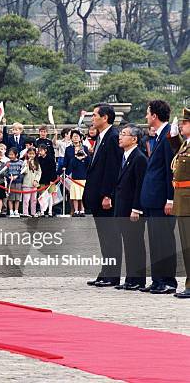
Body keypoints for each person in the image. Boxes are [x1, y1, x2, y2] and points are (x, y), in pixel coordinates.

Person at [83, 104, 123, 288]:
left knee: (110, 236)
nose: (92, 119)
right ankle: (106, 271)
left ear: (105, 117)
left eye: (95, 115)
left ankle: (112, 274)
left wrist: (108, 194)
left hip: (105, 197)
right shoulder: (101, 137)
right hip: (96, 195)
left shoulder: (114, 137)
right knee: (103, 236)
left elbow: (113, 169)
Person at [139, 100, 177, 294]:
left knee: (164, 241)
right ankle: (157, 280)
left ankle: (167, 280)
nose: (146, 117)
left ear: (154, 115)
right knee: (155, 241)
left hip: (162, 199)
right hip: (153, 198)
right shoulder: (160, 135)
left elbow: (171, 171)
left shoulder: (169, 135)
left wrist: (170, 199)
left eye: (148, 113)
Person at [113, 124, 148, 291]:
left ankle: (138, 280)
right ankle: (130, 278)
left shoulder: (139, 158)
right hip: (122, 206)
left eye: (124, 134)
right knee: (128, 244)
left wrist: (136, 208)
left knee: (135, 244)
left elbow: (140, 186)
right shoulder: (125, 156)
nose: (120, 136)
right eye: (120, 134)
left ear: (134, 139)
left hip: (132, 209)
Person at [168, 108, 190, 298]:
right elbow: (178, 151)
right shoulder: (186, 145)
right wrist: (174, 136)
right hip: (182, 201)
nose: (182, 125)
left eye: (185, 123)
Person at [62, 130, 90, 217]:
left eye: (77, 136)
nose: (75, 138)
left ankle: (82, 210)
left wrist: (84, 156)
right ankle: (74, 210)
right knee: (73, 193)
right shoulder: (68, 149)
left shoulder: (84, 148)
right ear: (71, 138)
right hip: (72, 173)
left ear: (80, 138)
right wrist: (64, 170)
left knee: (82, 193)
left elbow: (88, 161)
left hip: (83, 172)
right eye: (74, 136)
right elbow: (66, 161)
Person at [37, 144, 57, 217]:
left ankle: (50, 211)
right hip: (41, 179)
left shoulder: (51, 158)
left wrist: (52, 179)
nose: (39, 152)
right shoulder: (38, 159)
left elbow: (53, 170)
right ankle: (42, 211)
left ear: (45, 150)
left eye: (41, 150)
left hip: (50, 180)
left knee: (50, 195)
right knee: (42, 195)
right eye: (39, 150)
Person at [21, 147, 41, 217]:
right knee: (26, 200)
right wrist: (27, 164)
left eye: (33, 154)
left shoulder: (37, 163)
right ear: (27, 154)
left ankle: (33, 212)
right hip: (26, 184)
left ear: (35, 154)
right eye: (30, 154)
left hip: (34, 184)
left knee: (34, 200)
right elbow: (23, 172)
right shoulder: (25, 162)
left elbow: (39, 173)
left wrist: (36, 180)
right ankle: (25, 213)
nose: (31, 155)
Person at [6, 147, 24, 218]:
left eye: (12, 154)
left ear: (16, 154)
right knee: (10, 198)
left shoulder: (21, 162)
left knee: (17, 197)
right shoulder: (7, 163)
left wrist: (17, 176)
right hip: (10, 182)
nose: (10, 156)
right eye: (9, 154)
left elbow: (22, 172)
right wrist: (9, 177)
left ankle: (16, 211)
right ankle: (11, 211)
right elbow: (5, 172)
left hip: (18, 182)